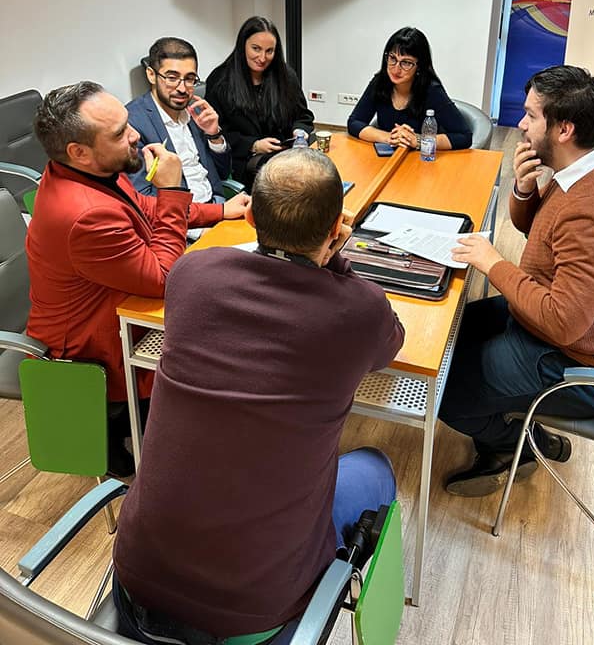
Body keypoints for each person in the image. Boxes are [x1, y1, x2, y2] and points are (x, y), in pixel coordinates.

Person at [112, 149, 405, 645]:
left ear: (249, 216)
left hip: (138, 578)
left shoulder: (191, 274)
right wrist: (335, 258)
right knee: (376, 466)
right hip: (256, 613)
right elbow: (388, 346)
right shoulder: (359, 311)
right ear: (336, 228)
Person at [438, 65, 594, 497]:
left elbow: (564, 322)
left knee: (443, 389)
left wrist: (494, 264)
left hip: (583, 364)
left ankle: (516, 446)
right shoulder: (592, 165)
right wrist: (524, 189)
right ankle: (518, 426)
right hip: (554, 322)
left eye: (531, 116)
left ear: (564, 129)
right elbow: (541, 233)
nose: (521, 124)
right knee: (450, 334)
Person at [26, 82, 250, 474]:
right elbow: (163, 277)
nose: (135, 136)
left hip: (116, 305)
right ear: (79, 151)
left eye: (128, 124)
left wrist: (219, 212)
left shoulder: (90, 170)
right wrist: (173, 188)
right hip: (90, 349)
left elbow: (142, 207)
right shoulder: (84, 215)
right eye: (119, 133)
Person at [205, 16, 314, 187]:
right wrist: (253, 145)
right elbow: (216, 132)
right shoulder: (220, 80)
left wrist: (299, 131)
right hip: (244, 160)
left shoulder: (286, 76)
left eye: (269, 51)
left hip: (285, 153)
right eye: (256, 49)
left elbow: (303, 116)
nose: (262, 58)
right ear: (243, 45)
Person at [126, 37, 231, 203]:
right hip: (183, 213)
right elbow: (144, 197)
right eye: (172, 78)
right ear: (151, 75)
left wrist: (214, 135)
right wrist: (207, 213)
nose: (182, 89)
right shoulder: (134, 123)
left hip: (216, 201)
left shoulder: (197, 111)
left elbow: (223, 173)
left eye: (189, 79)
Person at [347, 26, 472, 150]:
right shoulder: (380, 82)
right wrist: (389, 137)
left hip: (422, 158)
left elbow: (464, 137)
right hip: (389, 157)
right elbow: (354, 122)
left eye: (406, 63)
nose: (396, 69)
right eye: (392, 58)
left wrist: (417, 140)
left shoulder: (432, 90)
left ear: (419, 66)